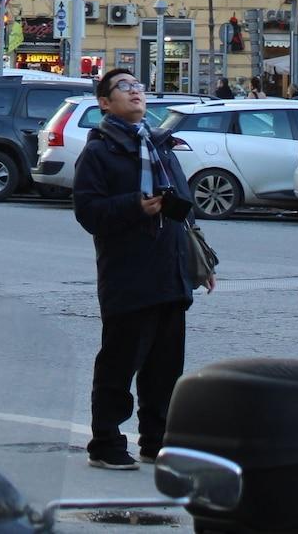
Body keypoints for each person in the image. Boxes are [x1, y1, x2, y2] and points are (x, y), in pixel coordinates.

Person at [72, 67, 211, 471]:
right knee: (120, 362)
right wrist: (135, 206)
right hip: (128, 275)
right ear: (104, 102)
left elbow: (184, 207)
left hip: (169, 272)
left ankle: (157, 439)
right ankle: (106, 442)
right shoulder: (100, 151)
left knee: (165, 367)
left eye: (137, 86)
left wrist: (200, 261)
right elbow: (89, 212)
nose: (135, 92)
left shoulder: (160, 144)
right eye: (124, 87)